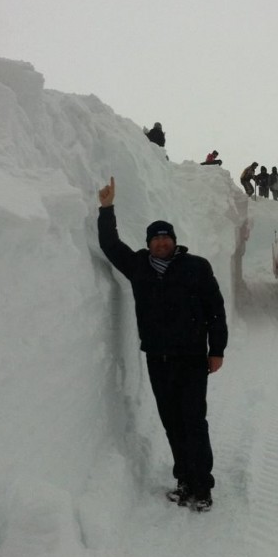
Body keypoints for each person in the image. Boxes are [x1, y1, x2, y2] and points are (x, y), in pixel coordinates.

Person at [97, 176, 227, 513]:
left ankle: (203, 486)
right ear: (149, 243)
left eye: (165, 237)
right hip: (158, 358)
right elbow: (112, 247)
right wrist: (106, 208)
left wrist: (217, 350)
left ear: (174, 241)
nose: (160, 243)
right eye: (155, 239)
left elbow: (215, 309)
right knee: (172, 421)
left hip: (192, 358)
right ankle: (184, 479)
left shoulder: (196, 268)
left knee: (194, 420)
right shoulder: (139, 267)